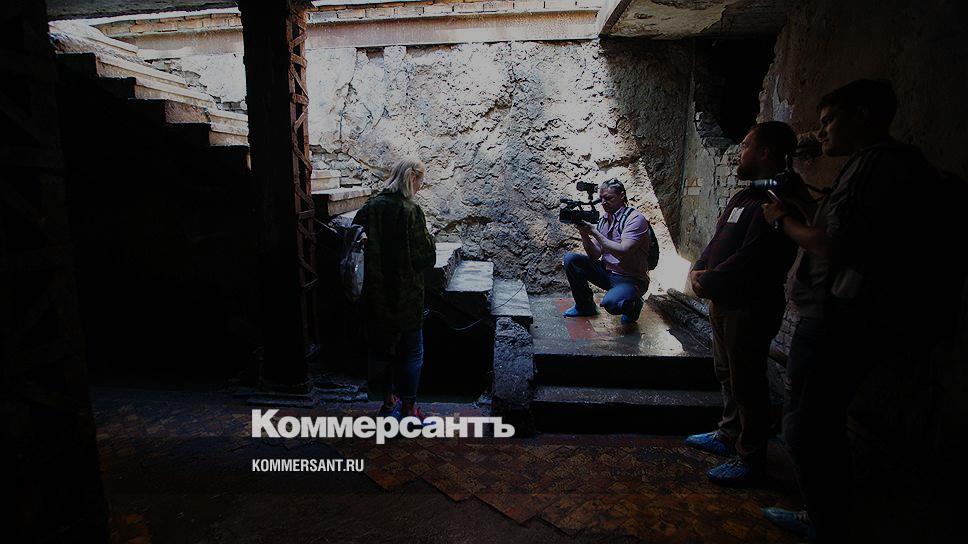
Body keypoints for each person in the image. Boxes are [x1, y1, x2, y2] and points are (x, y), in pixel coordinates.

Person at [760, 79, 950, 541]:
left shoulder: (875, 165)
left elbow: (833, 244)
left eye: (830, 121)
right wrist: (802, 201)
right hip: (857, 317)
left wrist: (783, 220)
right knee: (820, 419)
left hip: (839, 318)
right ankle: (829, 514)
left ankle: (825, 521)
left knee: (806, 424)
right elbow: (848, 229)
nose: (822, 132)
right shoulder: (889, 165)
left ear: (863, 114)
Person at [684, 122, 800, 487]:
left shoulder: (778, 200)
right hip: (724, 301)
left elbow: (754, 257)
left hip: (749, 305)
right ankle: (728, 432)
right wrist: (699, 268)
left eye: (747, 145)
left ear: (765, 152)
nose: (740, 151)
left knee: (747, 382)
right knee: (726, 373)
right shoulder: (744, 197)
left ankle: (750, 457)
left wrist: (708, 280)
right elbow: (718, 239)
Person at [353, 158, 437, 422]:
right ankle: (409, 409)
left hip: (375, 294)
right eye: (420, 182)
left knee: (383, 351)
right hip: (406, 296)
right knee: (412, 352)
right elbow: (424, 259)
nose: (420, 188)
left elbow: (355, 240)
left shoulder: (370, 207)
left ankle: (389, 402)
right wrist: (431, 239)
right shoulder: (411, 211)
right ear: (412, 178)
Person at [562, 179, 653, 324]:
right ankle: (585, 307)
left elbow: (623, 252)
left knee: (611, 303)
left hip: (631, 278)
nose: (604, 202)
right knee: (571, 259)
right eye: (601, 198)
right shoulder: (604, 220)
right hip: (608, 272)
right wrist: (584, 233)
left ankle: (634, 304)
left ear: (621, 195)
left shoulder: (635, 219)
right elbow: (595, 255)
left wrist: (594, 232)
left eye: (609, 198)